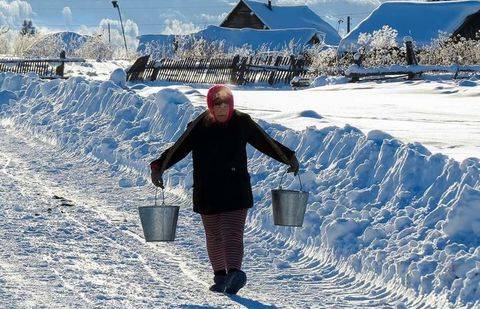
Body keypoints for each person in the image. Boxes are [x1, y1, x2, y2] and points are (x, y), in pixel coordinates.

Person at [150, 84, 299, 295]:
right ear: (211, 106)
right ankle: (220, 277)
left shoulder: (242, 122)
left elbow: (265, 142)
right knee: (213, 235)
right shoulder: (199, 125)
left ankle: (234, 274)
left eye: (225, 105)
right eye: (217, 106)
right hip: (207, 190)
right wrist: (158, 166)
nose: (221, 110)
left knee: (232, 233)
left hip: (235, 189)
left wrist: (288, 157)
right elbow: (178, 148)